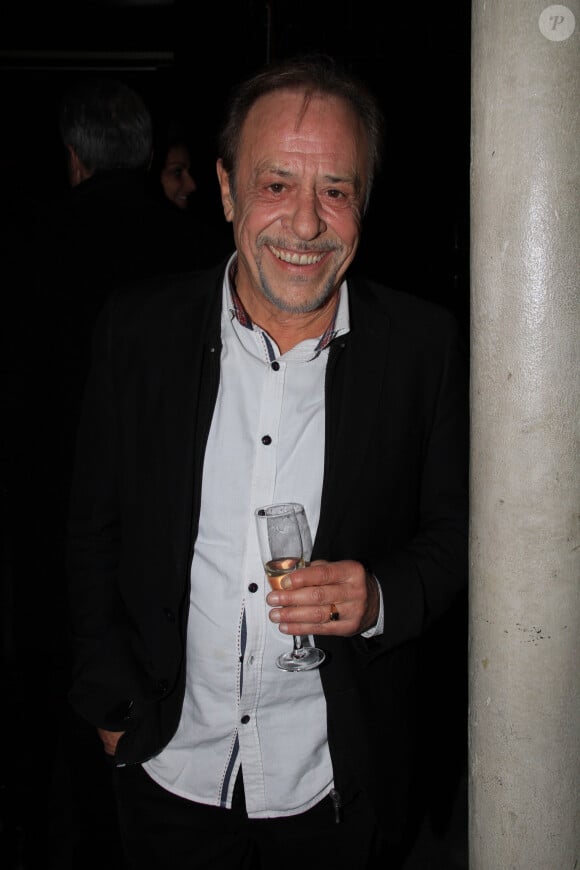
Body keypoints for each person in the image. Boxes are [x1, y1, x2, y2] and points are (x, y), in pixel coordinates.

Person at [66, 54, 469, 869]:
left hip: (333, 784)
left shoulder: (425, 348)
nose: (307, 224)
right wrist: (113, 709)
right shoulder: (138, 330)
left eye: (336, 190)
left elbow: (460, 533)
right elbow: (89, 532)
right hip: (168, 762)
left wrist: (382, 594)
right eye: (277, 184)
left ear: (364, 203)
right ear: (225, 190)